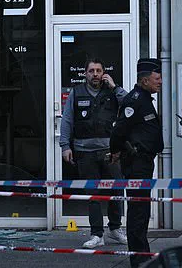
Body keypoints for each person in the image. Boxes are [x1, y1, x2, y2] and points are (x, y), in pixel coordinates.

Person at [59, 58, 128, 248]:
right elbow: (67, 120)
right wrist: (65, 146)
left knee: (116, 191)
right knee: (93, 195)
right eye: (91, 71)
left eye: (98, 70)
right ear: (85, 74)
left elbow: (130, 104)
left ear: (104, 73)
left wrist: (115, 87)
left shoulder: (112, 92)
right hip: (84, 152)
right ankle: (97, 234)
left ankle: (115, 229)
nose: (95, 74)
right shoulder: (76, 92)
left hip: (110, 151)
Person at [111, 58, 164, 268]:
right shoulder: (134, 101)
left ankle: (143, 254)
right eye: (157, 78)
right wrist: (115, 151)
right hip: (136, 162)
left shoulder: (144, 99)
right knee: (138, 212)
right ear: (144, 80)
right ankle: (139, 258)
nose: (160, 81)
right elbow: (119, 130)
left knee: (142, 211)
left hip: (144, 162)